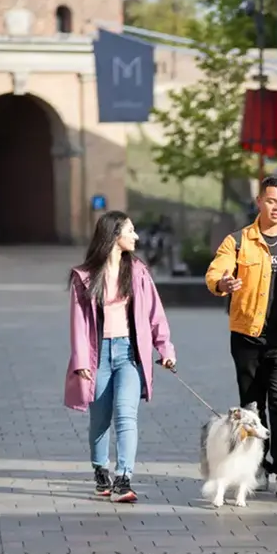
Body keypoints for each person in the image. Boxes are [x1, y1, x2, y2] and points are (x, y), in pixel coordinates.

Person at [205, 175, 277, 497]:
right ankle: (256, 466)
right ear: (260, 201)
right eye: (271, 201)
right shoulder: (238, 241)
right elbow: (216, 271)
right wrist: (223, 284)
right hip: (247, 336)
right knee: (252, 405)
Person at [64, 211, 177, 504]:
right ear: (115, 235)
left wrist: (165, 350)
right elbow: (79, 324)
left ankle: (123, 477)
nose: (136, 236)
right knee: (100, 420)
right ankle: (101, 470)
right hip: (97, 355)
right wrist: (81, 362)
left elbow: (155, 314)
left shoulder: (138, 271)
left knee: (126, 415)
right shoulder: (85, 276)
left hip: (129, 354)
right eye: (131, 230)